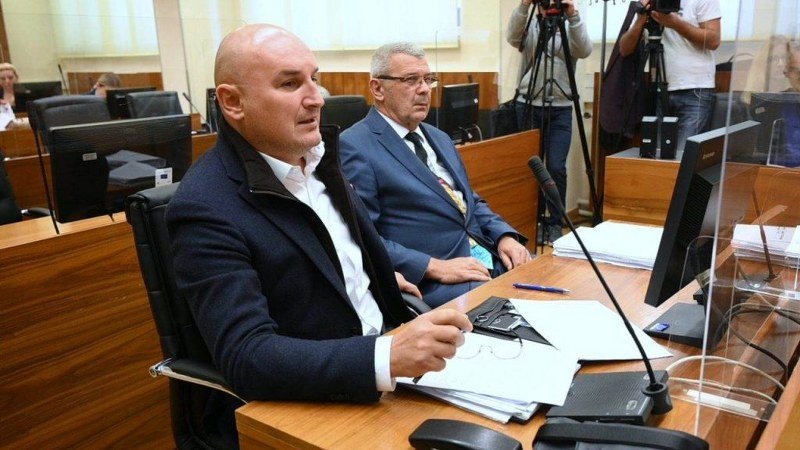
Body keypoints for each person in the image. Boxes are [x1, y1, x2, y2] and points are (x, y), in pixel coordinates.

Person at [165, 24, 472, 447]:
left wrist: (375, 275)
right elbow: (247, 356)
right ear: (233, 102)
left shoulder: (319, 160)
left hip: (388, 369)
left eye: (314, 78)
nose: (316, 98)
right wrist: (387, 355)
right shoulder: (205, 206)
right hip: (319, 404)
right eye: (290, 84)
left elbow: (322, 257)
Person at [339, 42, 531, 308]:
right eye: (411, 80)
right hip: (435, 281)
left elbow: (467, 201)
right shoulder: (355, 145)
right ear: (377, 88)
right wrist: (432, 266)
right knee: (510, 315)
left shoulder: (438, 137)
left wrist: (504, 236)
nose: (424, 89)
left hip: (486, 257)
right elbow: (361, 236)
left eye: (428, 79)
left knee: (546, 282)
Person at [506, 0, 592, 244]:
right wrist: (525, 5)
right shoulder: (532, 23)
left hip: (560, 108)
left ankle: (555, 222)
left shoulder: (569, 26)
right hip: (528, 104)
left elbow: (584, 50)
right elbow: (512, 37)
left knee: (555, 166)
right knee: (530, 168)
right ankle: (531, 221)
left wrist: (573, 14)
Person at [619, 0, 721, 152]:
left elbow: (713, 40)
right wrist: (640, 19)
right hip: (658, 91)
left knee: (684, 156)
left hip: (695, 89)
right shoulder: (650, 3)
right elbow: (625, 49)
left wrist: (675, 23)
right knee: (657, 156)